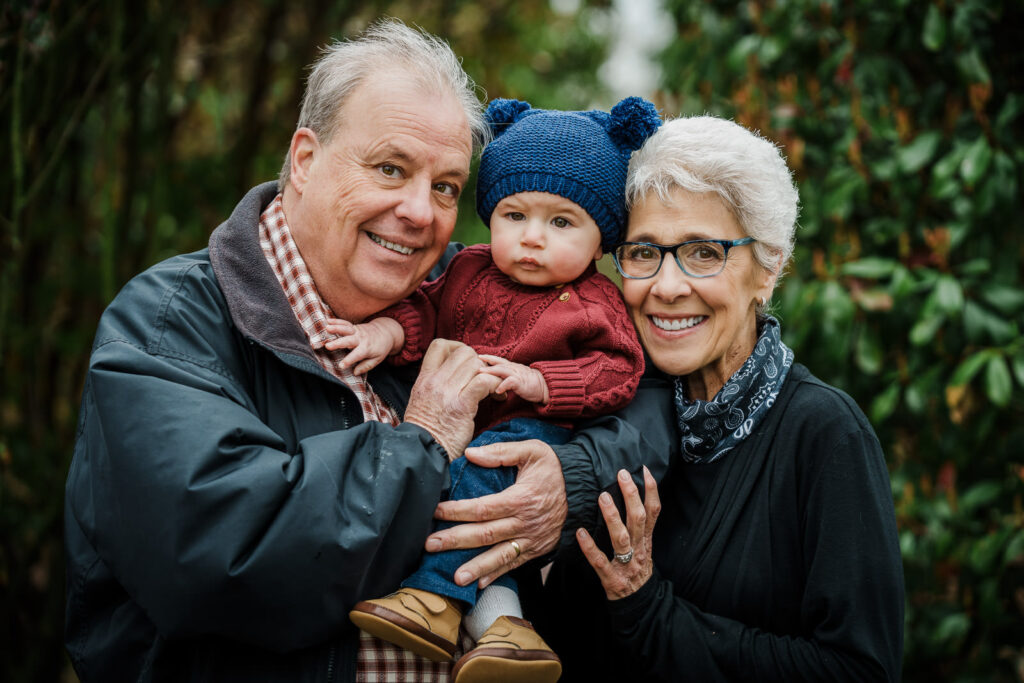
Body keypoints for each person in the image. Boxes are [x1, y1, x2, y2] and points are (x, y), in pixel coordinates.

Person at [62, 19, 677, 682]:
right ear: (305, 160)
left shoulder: (454, 289)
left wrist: (570, 479)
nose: (419, 212)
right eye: (390, 168)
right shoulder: (171, 322)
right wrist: (425, 438)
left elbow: (645, 394)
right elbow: (222, 558)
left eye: (445, 186)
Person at [533, 115, 906, 681]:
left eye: (704, 253)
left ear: (769, 267)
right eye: (643, 252)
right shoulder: (605, 416)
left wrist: (646, 609)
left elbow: (859, 670)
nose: (666, 286)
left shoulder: (825, 434)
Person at [329, 96, 660, 682]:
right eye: (514, 216)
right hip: (458, 426)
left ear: (601, 241)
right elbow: (424, 311)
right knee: (469, 513)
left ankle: (433, 604)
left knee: (470, 496)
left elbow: (619, 369)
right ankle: (509, 633)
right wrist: (386, 330)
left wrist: (542, 382)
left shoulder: (596, 302)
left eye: (561, 222)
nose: (532, 238)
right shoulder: (465, 270)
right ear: (491, 216)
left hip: (530, 434)